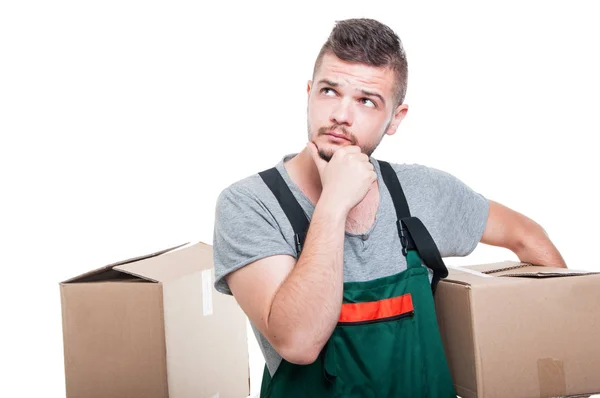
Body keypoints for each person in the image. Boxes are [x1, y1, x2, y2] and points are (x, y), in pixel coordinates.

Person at [212, 18, 567, 397]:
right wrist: (333, 203)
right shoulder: (251, 204)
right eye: (330, 91)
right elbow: (298, 343)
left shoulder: (421, 192)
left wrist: (557, 354)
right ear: (309, 92)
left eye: (367, 101)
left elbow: (527, 237)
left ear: (395, 118)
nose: (342, 115)